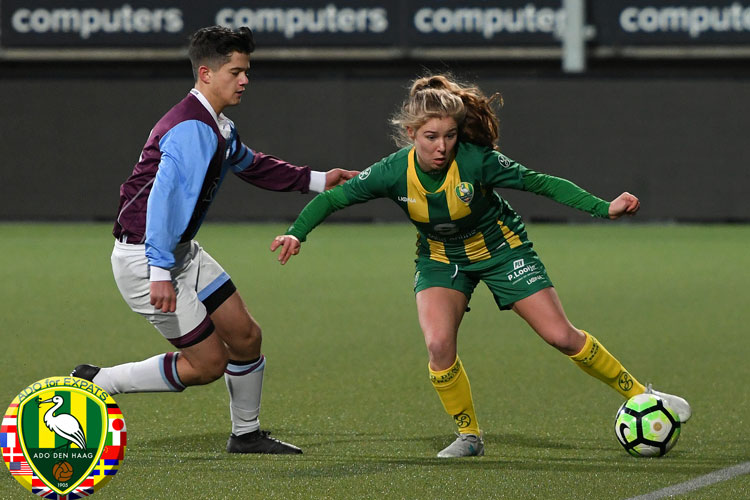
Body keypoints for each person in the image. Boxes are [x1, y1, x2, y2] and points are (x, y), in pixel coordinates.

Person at [270, 74, 692, 458]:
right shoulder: (391, 172)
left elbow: (540, 182)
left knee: (561, 336)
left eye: (450, 136)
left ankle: (643, 397)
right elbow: (332, 197)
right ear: (410, 133)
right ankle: (469, 436)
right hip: (441, 259)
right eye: (431, 136)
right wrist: (296, 232)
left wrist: (605, 208)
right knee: (438, 345)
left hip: (502, 249)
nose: (441, 147)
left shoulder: (476, 161)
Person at [71, 25, 357, 454]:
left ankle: (246, 435)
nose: (245, 80)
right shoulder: (192, 130)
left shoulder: (215, 125)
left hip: (179, 252)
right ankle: (99, 382)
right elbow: (163, 203)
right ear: (206, 73)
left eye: (246, 71)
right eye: (236, 71)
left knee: (245, 337)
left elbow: (251, 164)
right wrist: (160, 270)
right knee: (207, 365)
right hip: (146, 259)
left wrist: (317, 179)